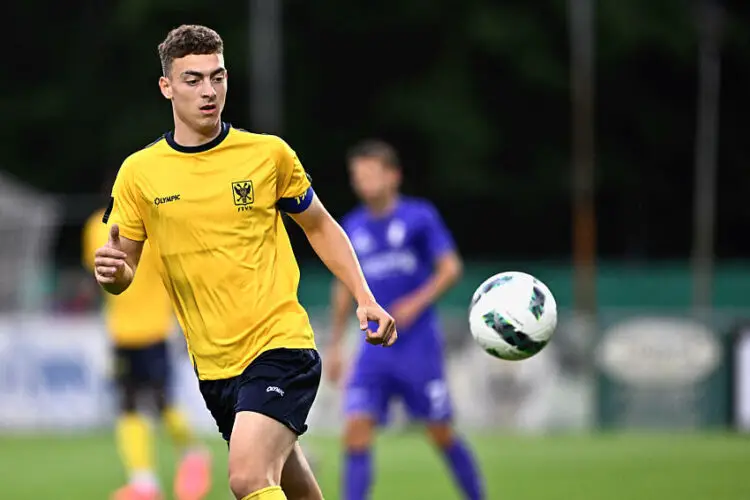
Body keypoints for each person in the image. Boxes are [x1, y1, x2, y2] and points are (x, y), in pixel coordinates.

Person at [92, 25, 397, 500]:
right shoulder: (139, 173)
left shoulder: (267, 155)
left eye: (218, 77)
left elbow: (319, 225)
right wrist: (112, 274)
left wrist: (365, 297)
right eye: (192, 80)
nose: (209, 91)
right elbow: (124, 270)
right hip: (214, 367)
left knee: (248, 478)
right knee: (287, 483)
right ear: (166, 87)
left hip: (280, 346)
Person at [325, 140, 485, 500]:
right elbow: (341, 288)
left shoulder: (419, 217)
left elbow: (451, 268)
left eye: (370, 174)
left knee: (440, 431)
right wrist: (335, 346)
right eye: (357, 176)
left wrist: (415, 302)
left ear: (393, 176)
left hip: (417, 345)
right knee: (356, 429)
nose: (363, 182)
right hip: (374, 348)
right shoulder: (350, 226)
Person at [83, 201, 211, 500]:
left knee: (161, 401)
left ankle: (193, 453)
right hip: (121, 332)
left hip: (156, 330)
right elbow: (98, 275)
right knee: (127, 404)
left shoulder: (155, 224)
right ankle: (144, 482)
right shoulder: (95, 226)